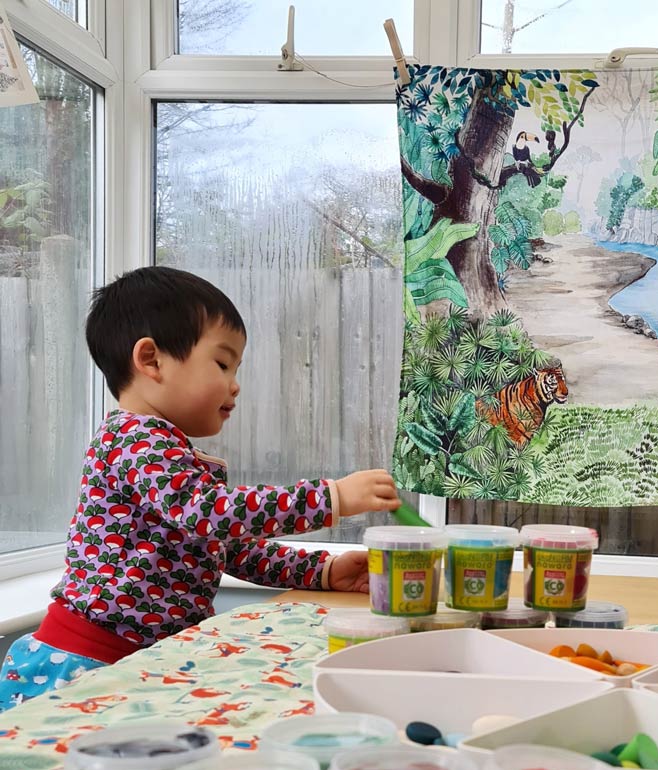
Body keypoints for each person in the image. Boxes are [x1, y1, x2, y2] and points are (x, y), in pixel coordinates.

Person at [1, 266, 399, 712]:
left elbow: (229, 546)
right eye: (222, 362)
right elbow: (208, 513)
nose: (235, 383)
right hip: (90, 663)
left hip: (141, 662)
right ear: (151, 360)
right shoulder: (134, 439)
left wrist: (322, 572)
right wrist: (332, 498)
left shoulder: (168, 451)